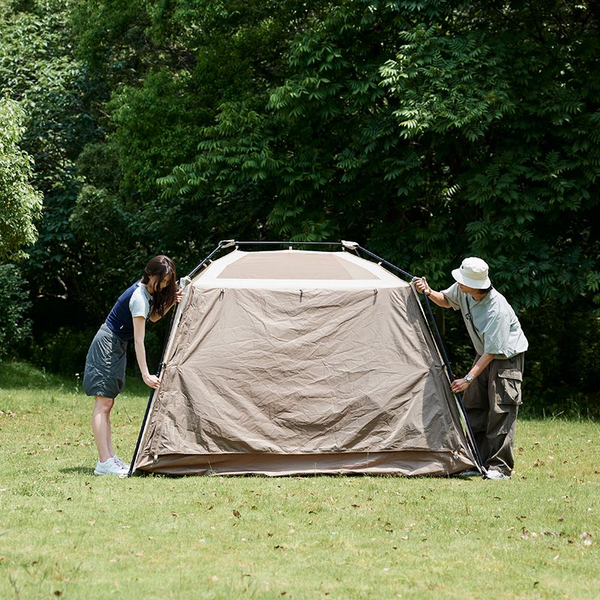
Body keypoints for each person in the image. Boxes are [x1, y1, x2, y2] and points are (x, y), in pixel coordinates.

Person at [413, 257, 528, 480]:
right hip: (484, 353)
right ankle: (477, 461)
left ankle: (500, 468)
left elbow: (492, 352)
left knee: (500, 409)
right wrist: (428, 291)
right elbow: (445, 300)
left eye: (462, 280)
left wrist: (467, 378)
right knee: (473, 405)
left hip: (505, 358)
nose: (458, 283)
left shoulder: (497, 310)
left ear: (476, 285)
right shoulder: (463, 290)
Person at [83, 255, 182, 476]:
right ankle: (104, 462)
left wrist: (171, 302)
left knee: (107, 404)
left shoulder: (146, 293)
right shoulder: (138, 297)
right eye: (162, 281)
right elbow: (139, 341)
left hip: (116, 344)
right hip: (108, 344)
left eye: (168, 282)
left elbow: (154, 317)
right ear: (150, 275)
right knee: (103, 403)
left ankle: (109, 458)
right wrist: (146, 375)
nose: (164, 286)